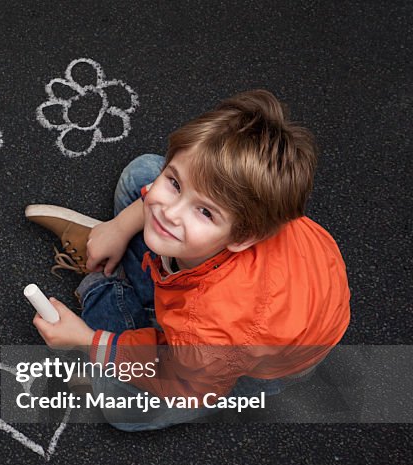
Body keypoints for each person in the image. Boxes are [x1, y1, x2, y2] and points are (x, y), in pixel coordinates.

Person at [25, 90, 350, 430]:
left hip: (231, 358)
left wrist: (85, 340)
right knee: (142, 173)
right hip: (234, 297)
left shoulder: (212, 329)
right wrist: (119, 228)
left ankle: (104, 285)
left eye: (206, 212)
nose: (170, 213)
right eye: (175, 183)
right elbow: (172, 195)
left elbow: (183, 381)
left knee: (123, 408)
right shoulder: (249, 214)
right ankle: (117, 258)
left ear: (242, 238)